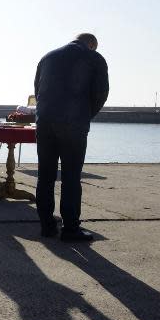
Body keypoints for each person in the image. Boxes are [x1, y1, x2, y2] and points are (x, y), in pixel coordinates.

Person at [34, 33, 108, 241]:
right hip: (74, 124)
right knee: (71, 177)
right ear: (91, 44)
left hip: (45, 122)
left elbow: (38, 90)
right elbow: (101, 93)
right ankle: (70, 229)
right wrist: (85, 115)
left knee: (45, 175)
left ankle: (47, 226)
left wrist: (44, 116)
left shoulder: (47, 57)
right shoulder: (95, 58)